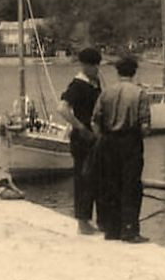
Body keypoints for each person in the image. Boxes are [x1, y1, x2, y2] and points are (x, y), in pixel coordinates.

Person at [90, 54, 150, 243]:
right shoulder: (140, 93)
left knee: (111, 185)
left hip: (108, 142)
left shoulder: (107, 92)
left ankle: (111, 229)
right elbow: (145, 126)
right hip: (130, 142)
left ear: (118, 72)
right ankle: (130, 230)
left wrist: (103, 137)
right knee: (131, 186)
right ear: (134, 72)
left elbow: (95, 121)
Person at [56, 47, 103, 235]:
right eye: (93, 65)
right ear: (85, 65)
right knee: (83, 177)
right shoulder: (77, 85)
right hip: (82, 136)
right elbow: (62, 108)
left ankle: (91, 219)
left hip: (94, 136)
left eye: (97, 65)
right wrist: (80, 127)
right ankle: (82, 222)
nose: (96, 68)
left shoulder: (94, 82)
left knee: (94, 178)